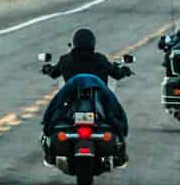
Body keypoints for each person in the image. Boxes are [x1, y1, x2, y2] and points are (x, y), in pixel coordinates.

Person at [43, 27, 132, 160]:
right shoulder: (100, 59)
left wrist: (47, 68)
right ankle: (120, 150)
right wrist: (124, 70)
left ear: (75, 42)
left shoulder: (66, 59)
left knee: (51, 117)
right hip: (98, 102)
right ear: (92, 43)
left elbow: (54, 73)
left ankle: (49, 148)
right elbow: (116, 74)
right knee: (116, 117)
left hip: (71, 102)